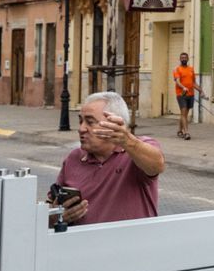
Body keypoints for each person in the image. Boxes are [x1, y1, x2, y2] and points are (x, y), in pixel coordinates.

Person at [51, 91, 165, 225]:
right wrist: (58, 216)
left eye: (90, 122)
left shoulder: (135, 151)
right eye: (81, 121)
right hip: (83, 244)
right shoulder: (74, 158)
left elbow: (157, 164)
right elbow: (51, 205)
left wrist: (127, 140)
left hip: (132, 244)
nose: (81, 129)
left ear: (114, 124)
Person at [172, 52, 200, 140]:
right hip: (181, 94)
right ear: (180, 59)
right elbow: (177, 81)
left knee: (184, 114)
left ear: (187, 59)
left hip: (190, 94)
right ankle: (186, 132)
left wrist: (201, 91)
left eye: (185, 57)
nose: (184, 59)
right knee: (184, 114)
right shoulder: (177, 69)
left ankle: (179, 130)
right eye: (182, 57)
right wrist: (183, 87)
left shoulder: (191, 69)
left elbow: (193, 83)